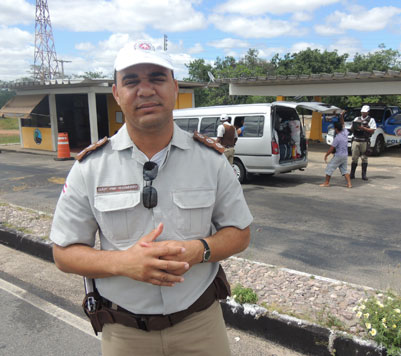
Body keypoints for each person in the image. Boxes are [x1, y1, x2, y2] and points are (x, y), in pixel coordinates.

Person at [49, 40, 253, 356]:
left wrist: (198, 250)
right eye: (131, 81)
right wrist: (123, 262)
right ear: (116, 93)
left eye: (157, 78)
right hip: (125, 333)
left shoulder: (211, 160)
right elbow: (64, 253)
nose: (145, 90)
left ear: (174, 87)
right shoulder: (90, 168)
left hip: (201, 325)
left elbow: (239, 233)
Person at [320, 111, 352, 188]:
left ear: (336, 129)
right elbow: (343, 124)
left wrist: (326, 155)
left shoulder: (337, 138)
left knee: (329, 167)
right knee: (344, 170)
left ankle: (326, 183)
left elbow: (332, 148)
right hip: (345, 155)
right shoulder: (345, 133)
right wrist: (341, 116)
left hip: (338, 155)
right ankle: (349, 184)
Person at [350, 105, 376, 180]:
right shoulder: (356, 118)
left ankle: (363, 175)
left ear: (368, 112)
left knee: (364, 158)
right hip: (356, 139)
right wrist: (354, 127)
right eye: (362, 112)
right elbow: (352, 129)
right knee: (354, 158)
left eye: (365, 112)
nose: (363, 113)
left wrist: (363, 128)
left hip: (364, 140)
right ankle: (352, 174)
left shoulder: (371, 120)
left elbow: (372, 130)